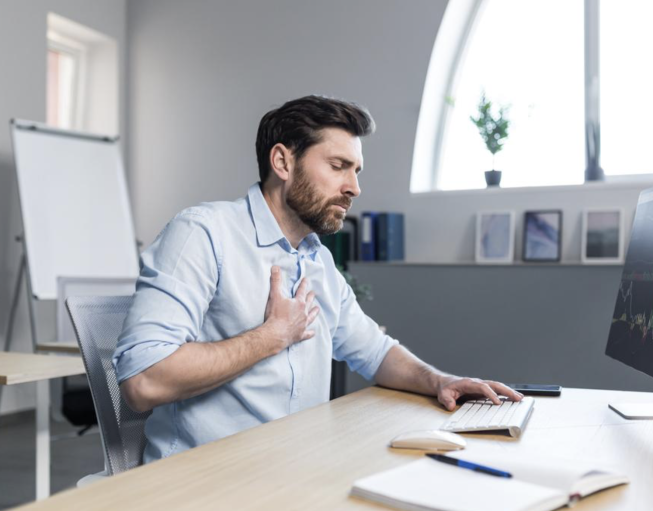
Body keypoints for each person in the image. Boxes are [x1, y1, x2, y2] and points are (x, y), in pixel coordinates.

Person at [114, 95, 522, 463]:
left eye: (356, 170)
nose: (355, 188)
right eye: (338, 166)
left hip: (296, 467)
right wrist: (272, 336)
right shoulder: (203, 233)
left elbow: (374, 352)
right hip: (203, 480)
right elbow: (144, 380)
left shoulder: (318, 261)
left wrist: (441, 381)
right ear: (283, 162)